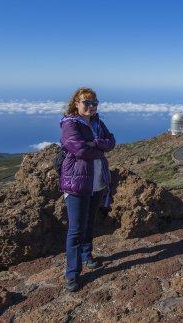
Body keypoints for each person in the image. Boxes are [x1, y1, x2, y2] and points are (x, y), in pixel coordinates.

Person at [59, 87, 115, 292]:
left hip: (98, 180)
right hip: (78, 183)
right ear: (76, 103)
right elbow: (78, 149)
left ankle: (87, 255)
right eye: (86, 102)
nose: (91, 106)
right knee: (75, 229)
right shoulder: (70, 124)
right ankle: (72, 274)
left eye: (94, 103)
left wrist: (96, 142)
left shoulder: (98, 122)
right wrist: (99, 147)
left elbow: (111, 141)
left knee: (90, 222)